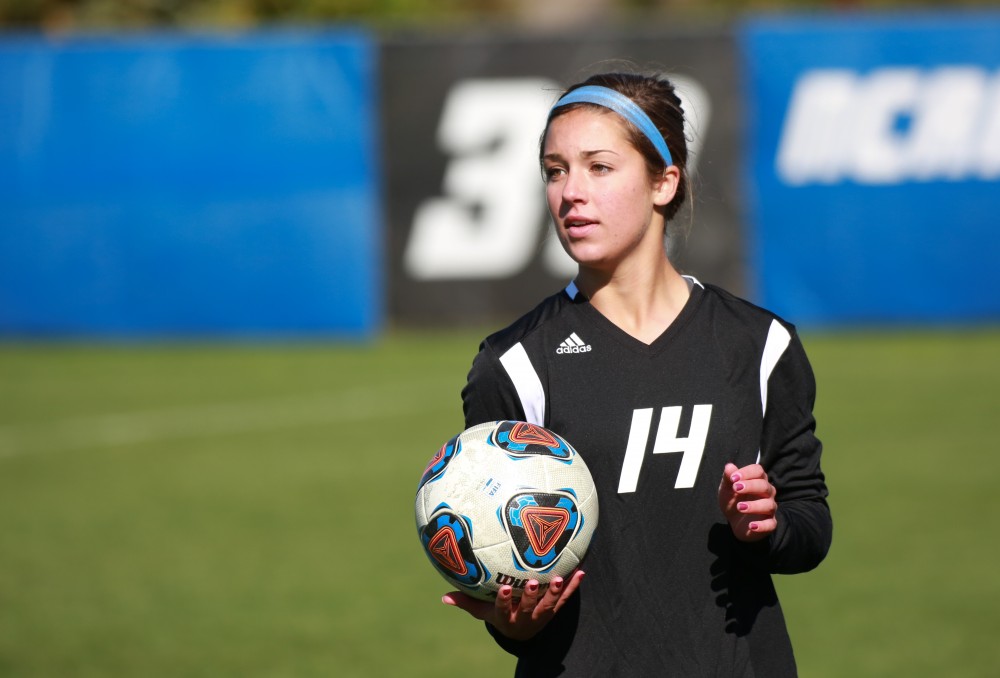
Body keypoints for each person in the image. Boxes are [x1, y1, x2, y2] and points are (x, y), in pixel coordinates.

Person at [444, 71, 832, 676]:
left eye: (599, 167)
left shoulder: (758, 346)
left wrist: (769, 524)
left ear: (663, 181)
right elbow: (510, 580)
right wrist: (511, 622)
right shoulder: (515, 363)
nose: (571, 192)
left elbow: (810, 524)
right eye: (555, 169)